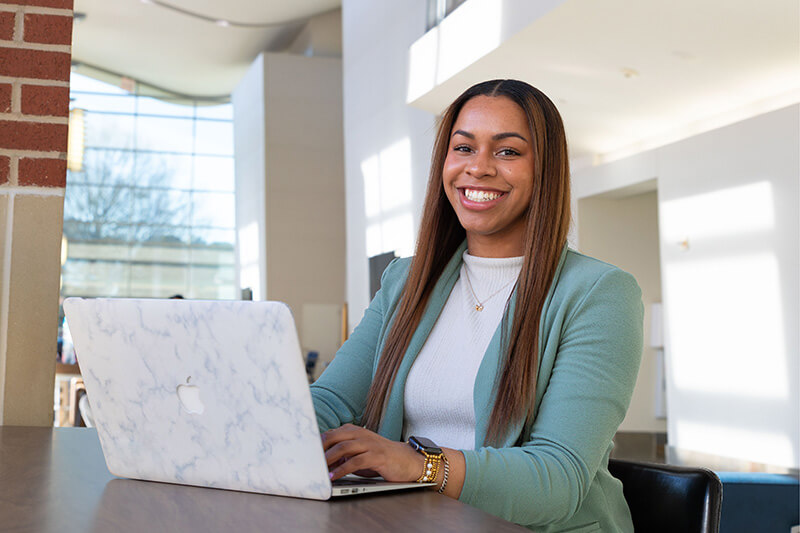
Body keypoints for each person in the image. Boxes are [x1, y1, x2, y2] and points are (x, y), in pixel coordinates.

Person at [310, 79, 643, 532]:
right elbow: (331, 400)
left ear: (545, 169)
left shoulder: (599, 293)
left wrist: (419, 464)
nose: (479, 168)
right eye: (463, 148)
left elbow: (558, 480)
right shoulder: (406, 281)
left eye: (508, 152)